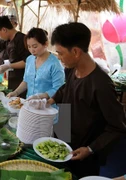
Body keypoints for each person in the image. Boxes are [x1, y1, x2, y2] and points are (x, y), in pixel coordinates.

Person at [47, 22, 126, 178]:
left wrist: (90, 149)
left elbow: (118, 126)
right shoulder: (71, 69)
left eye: (61, 53)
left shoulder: (101, 84)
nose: (59, 57)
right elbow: (66, 88)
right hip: (62, 136)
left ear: (76, 52)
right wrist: (50, 100)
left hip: (82, 152)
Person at [7, 27, 65, 123]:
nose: (31, 50)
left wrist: (41, 96)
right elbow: (26, 80)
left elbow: (59, 89)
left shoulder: (55, 64)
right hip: (29, 106)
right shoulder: (30, 59)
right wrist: (16, 93)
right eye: (29, 47)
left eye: (35, 46)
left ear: (45, 44)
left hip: (46, 109)